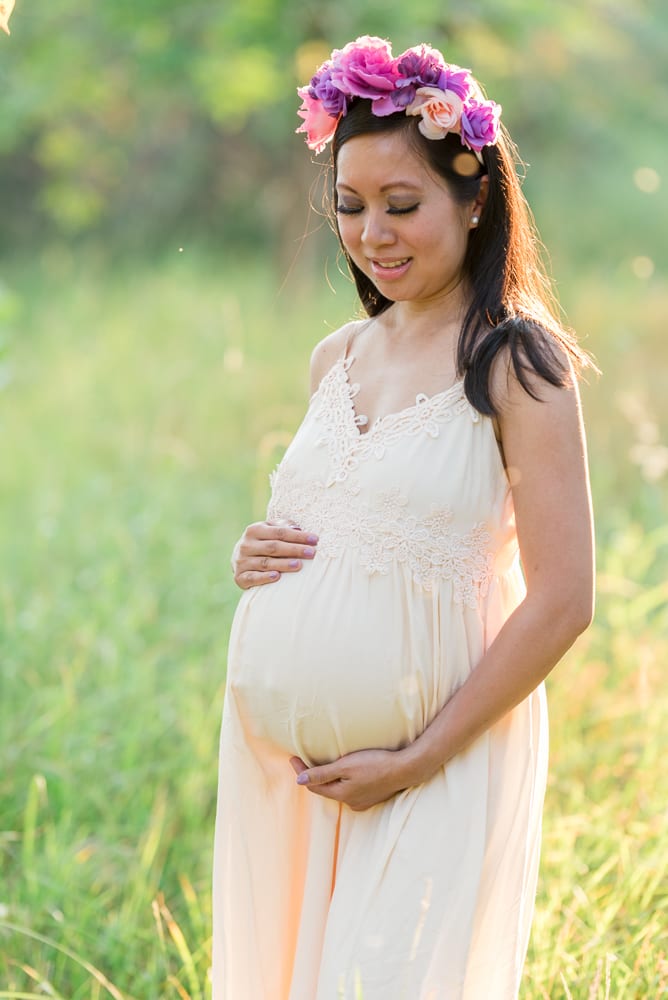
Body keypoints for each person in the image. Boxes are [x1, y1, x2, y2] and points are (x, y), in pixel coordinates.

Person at [212, 35, 595, 1000]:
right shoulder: (336, 355)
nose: (373, 233)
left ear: (474, 199)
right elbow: (333, 527)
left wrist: (417, 757)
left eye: (402, 204)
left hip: (436, 762)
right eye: (350, 206)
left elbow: (563, 601)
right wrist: (256, 552)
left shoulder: (518, 364)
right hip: (291, 784)